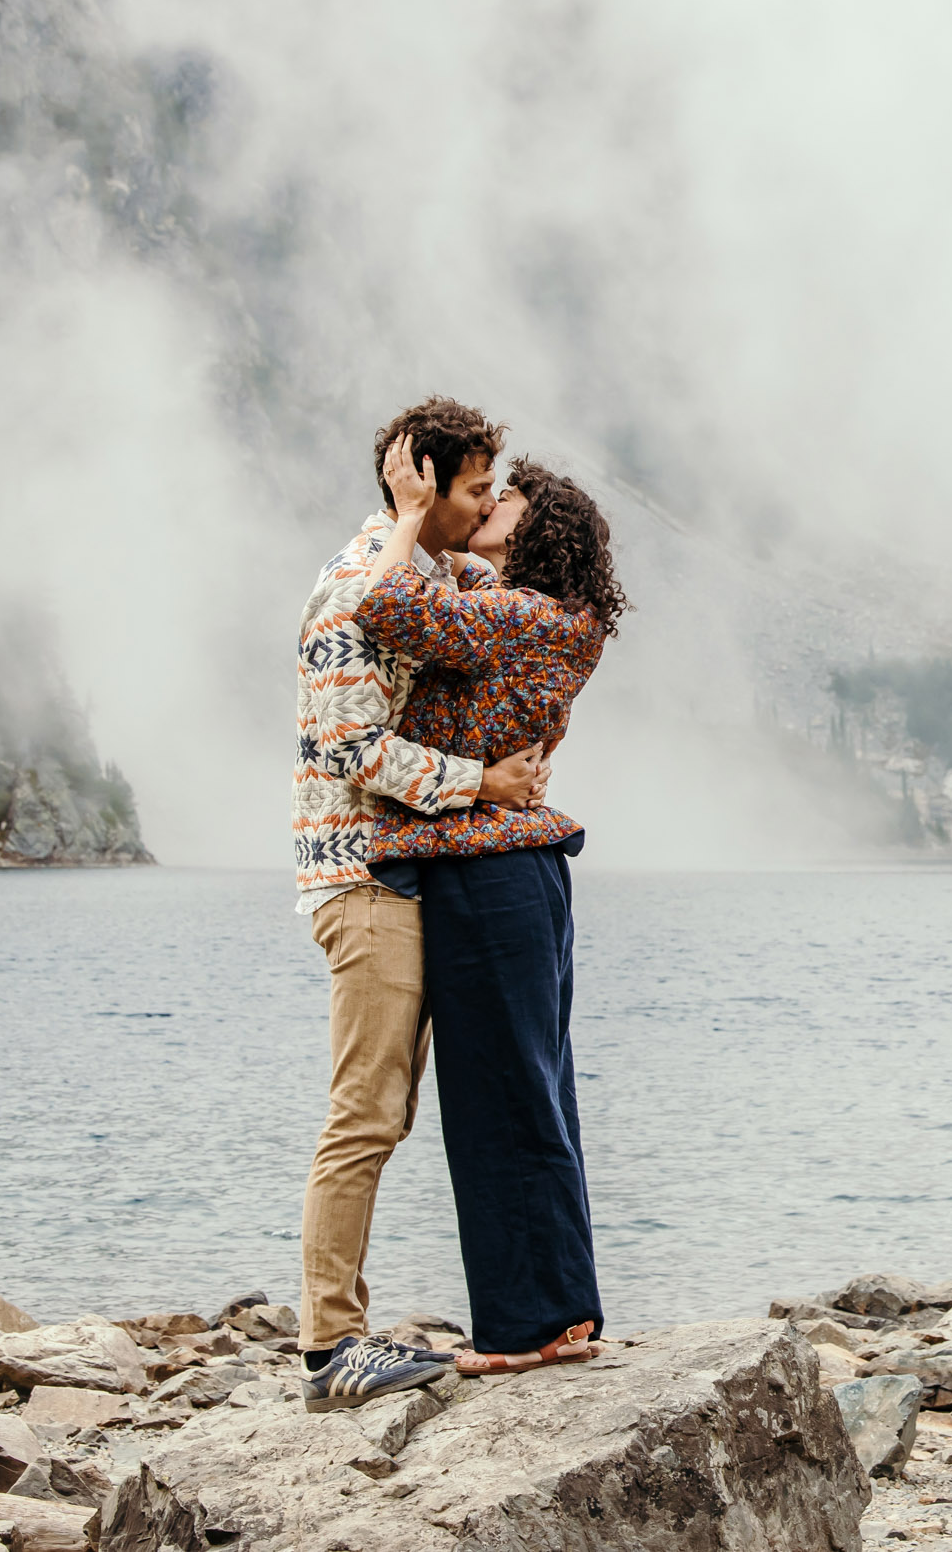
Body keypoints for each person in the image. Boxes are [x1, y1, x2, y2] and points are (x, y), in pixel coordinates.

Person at [291, 397, 550, 1412]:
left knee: (390, 1111)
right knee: (365, 1110)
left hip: (404, 873)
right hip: (362, 875)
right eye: (475, 486)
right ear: (424, 483)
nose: (487, 502)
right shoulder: (354, 582)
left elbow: (517, 597)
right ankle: (328, 1343)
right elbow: (351, 746)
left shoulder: (440, 576)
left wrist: (495, 527)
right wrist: (481, 784)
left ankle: (346, 1328)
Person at [352, 446, 629, 1375]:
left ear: (535, 527)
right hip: (525, 870)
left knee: (495, 1099)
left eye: (503, 497)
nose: (488, 503)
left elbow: (387, 607)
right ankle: (563, 1311)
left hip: (486, 870)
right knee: (538, 1090)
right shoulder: (553, 615)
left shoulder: (519, 616)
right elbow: (460, 586)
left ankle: (522, 1329)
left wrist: (406, 513)